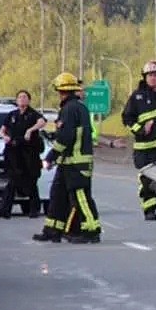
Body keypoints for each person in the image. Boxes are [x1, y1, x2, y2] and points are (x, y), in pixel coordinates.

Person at [33, 72, 101, 244]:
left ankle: (91, 230)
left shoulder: (70, 109)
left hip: (76, 164)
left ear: (63, 91)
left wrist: (50, 157)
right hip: (67, 163)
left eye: (59, 91)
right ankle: (53, 229)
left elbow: (65, 138)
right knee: (58, 197)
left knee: (81, 198)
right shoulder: (75, 108)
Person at [121, 60, 156, 221]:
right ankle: (150, 209)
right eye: (150, 75)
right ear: (145, 77)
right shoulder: (137, 97)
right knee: (147, 179)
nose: (153, 78)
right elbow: (127, 118)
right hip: (144, 147)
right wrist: (142, 129)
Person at [0, 90, 46, 218]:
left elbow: (42, 122)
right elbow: (2, 130)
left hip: (29, 153)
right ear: (16, 100)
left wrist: (30, 130)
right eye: (20, 97)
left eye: (25, 97)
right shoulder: (12, 115)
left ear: (29, 100)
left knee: (31, 183)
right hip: (14, 153)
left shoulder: (33, 114)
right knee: (12, 182)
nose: (22, 99)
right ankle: (4, 209)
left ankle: (34, 210)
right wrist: (4, 136)